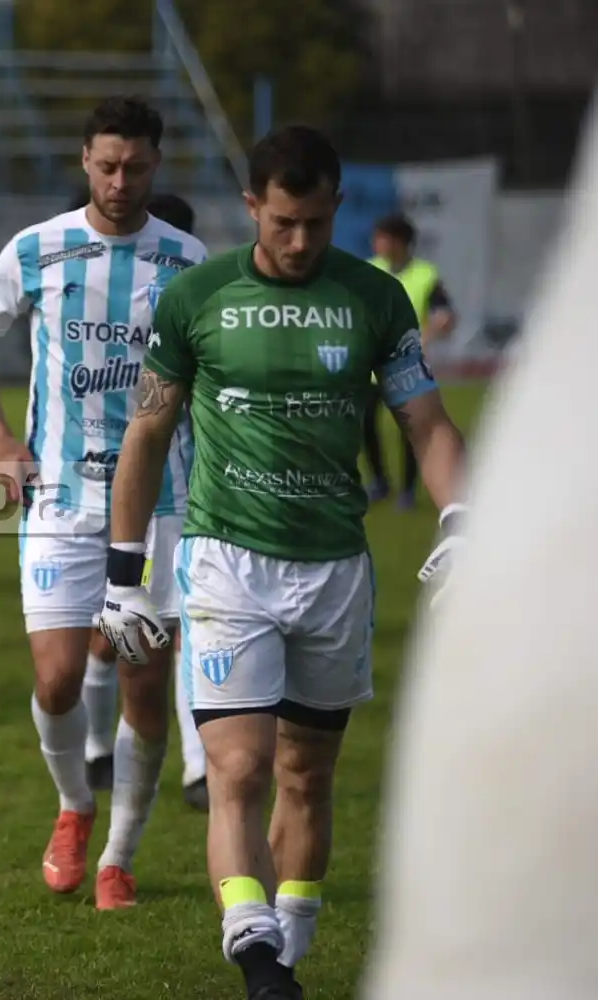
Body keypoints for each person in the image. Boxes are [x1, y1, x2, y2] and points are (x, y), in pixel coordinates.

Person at [96, 125, 467, 999]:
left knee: (309, 772)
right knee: (240, 767)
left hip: (335, 569)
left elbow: (427, 422)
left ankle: (287, 947)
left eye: (315, 224)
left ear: (338, 208)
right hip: (226, 563)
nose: (299, 243)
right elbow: (146, 433)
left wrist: (462, 519)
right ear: (252, 207)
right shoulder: (196, 299)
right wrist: (121, 576)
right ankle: (253, 944)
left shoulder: (375, 299)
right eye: (282, 223)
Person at [362, 104, 596, 1000]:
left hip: (416, 376)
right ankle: (396, 489)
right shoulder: (378, 277)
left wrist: (440, 331)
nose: (384, 243)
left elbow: (446, 311)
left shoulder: (413, 274)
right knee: (381, 447)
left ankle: (416, 495)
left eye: (387, 234)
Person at [0, 97, 205, 910]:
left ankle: (119, 858)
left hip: (159, 505)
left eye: (134, 166)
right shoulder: (38, 248)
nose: (120, 180)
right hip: (60, 496)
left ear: (156, 162)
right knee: (59, 680)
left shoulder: (189, 261)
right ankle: (74, 806)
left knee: (142, 684)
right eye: (106, 165)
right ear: (84, 158)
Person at [82, 190, 210, 812]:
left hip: (175, 489)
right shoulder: (103, 296)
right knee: (110, 636)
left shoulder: (197, 299)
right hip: (93, 485)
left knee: (182, 629)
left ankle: (197, 768)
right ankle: (93, 749)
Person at [364, 212, 458, 509]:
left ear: (400, 242)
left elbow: (445, 315)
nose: (377, 244)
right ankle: (379, 481)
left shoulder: (425, 274)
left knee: (412, 428)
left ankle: (407, 491)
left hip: (406, 365)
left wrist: (429, 334)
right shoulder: (368, 271)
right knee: (365, 425)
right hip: (370, 364)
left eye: (383, 238)